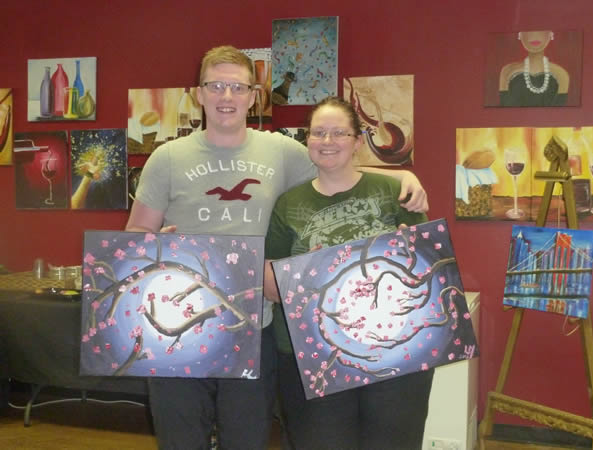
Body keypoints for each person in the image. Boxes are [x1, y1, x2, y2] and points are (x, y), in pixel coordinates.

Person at [126, 45, 429, 450]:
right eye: (216, 86)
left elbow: (335, 163)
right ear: (198, 93)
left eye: (238, 87)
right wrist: (153, 246)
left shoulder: (281, 151)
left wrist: (402, 177)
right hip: (176, 326)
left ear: (254, 96)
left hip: (253, 327)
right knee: (180, 440)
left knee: (246, 439)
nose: (227, 96)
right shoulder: (166, 157)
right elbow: (135, 236)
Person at [263, 97, 434, 450]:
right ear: (307, 140)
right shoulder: (288, 204)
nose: (327, 141)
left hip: (394, 349)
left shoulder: (395, 192)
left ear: (357, 141)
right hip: (312, 354)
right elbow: (270, 285)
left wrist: (408, 256)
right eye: (318, 133)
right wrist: (304, 273)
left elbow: (428, 268)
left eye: (339, 133)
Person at [499, 30, 569, 107]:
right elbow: (505, 108)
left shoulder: (561, 74)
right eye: (527, 29)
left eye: (542, 29)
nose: (535, 35)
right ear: (520, 35)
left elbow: (559, 111)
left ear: (550, 35)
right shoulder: (508, 71)